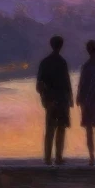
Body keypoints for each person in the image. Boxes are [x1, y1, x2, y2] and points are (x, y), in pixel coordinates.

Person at [36, 36, 73, 165]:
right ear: (61, 46)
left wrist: (44, 98)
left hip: (51, 100)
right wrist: (70, 99)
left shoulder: (45, 62)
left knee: (50, 128)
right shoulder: (62, 62)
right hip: (62, 99)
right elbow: (67, 83)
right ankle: (58, 157)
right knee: (61, 128)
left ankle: (47, 158)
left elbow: (39, 84)